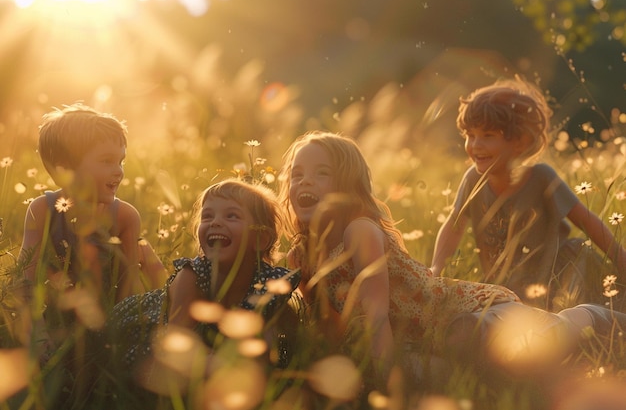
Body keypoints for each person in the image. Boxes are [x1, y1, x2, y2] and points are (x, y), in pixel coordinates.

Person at [277, 130, 626, 387]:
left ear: (348, 185)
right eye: (297, 174)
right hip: (425, 345)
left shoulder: (360, 231)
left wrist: (388, 389)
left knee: (534, 340)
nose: (305, 181)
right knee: (450, 376)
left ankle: (590, 317)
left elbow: (376, 317)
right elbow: (327, 329)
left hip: (471, 314)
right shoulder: (300, 257)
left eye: (322, 173)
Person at [16, 104, 167, 408]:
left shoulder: (124, 217)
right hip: (56, 318)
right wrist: (37, 331)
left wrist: (115, 333)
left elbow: (126, 291)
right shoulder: (43, 210)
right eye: (106, 160)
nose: (119, 171)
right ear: (64, 168)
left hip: (110, 321)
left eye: (121, 161)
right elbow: (26, 278)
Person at [430, 77, 626, 311]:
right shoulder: (473, 179)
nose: (475, 145)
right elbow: (454, 225)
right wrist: (435, 269)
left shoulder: (541, 177)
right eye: (470, 135)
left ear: (520, 142)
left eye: (488, 135)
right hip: (506, 284)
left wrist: (620, 260)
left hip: (559, 275)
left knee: (582, 312)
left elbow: (586, 220)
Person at [109, 179, 301, 399]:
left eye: (231, 216)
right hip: (146, 334)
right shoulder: (191, 275)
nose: (215, 223)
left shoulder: (270, 282)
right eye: (207, 216)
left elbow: (276, 338)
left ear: (260, 239)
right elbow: (176, 342)